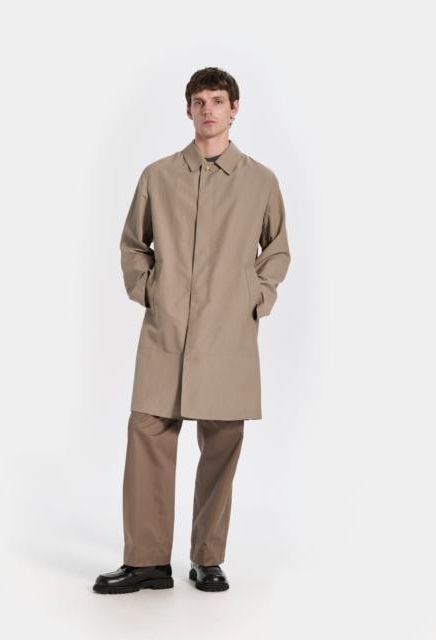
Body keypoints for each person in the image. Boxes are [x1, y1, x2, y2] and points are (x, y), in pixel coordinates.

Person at [93, 66, 291, 594]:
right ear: (188, 110)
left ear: (234, 109)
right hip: (167, 332)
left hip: (228, 334)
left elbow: (276, 249)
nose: (208, 110)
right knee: (148, 432)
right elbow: (133, 244)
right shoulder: (158, 176)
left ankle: (208, 557)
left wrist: (257, 296)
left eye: (218, 101)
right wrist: (150, 290)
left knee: (223, 441)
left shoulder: (260, 181)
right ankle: (146, 561)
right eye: (200, 101)